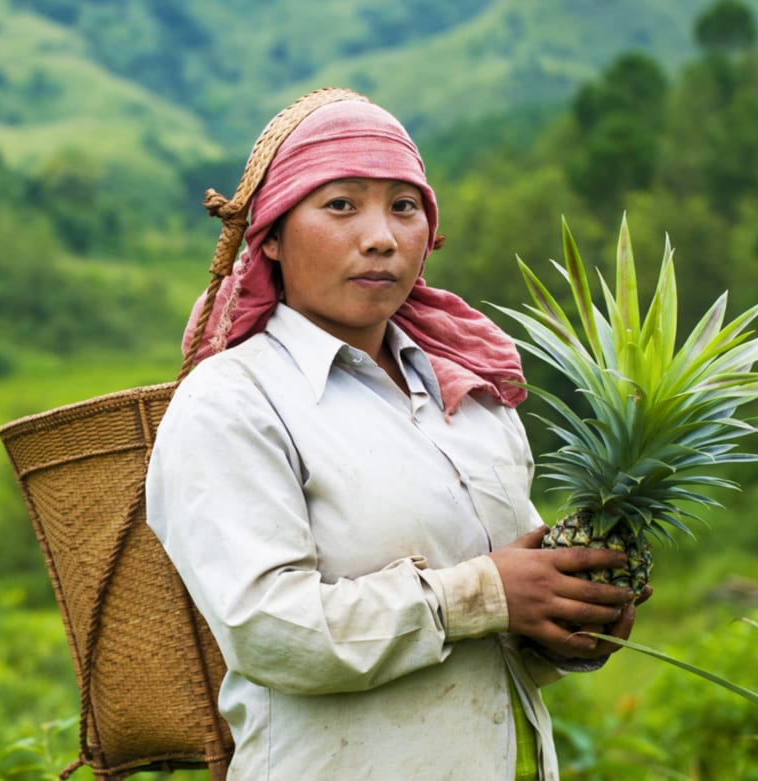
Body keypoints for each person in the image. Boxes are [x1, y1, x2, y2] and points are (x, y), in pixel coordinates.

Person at [145, 91, 645, 781]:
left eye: (403, 207)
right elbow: (271, 631)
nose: (380, 235)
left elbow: (496, 642)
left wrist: (568, 623)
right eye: (341, 205)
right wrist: (484, 594)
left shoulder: (474, 399)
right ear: (270, 238)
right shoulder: (232, 402)